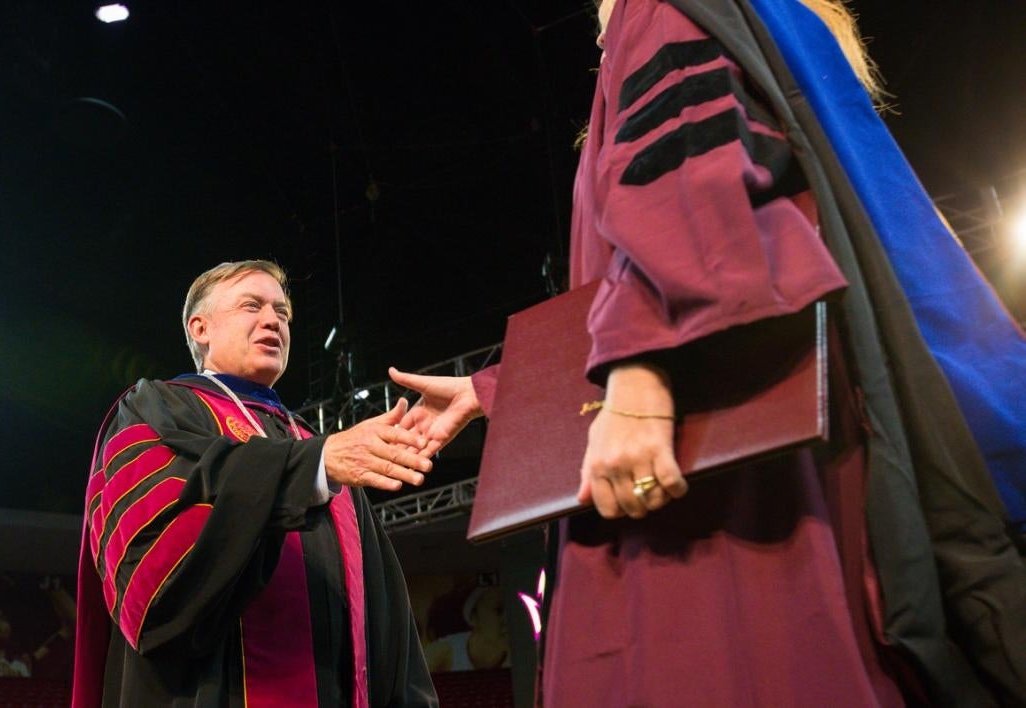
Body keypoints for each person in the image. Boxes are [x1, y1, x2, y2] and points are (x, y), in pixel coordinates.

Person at [390, 0, 1026, 705]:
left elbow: (695, 196)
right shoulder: (767, 21)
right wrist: (496, 391)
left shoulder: (659, 5)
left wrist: (639, 388)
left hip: (714, 473)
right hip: (779, 418)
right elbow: (700, 253)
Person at [73, 260, 438, 707]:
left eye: (282, 312)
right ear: (200, 328)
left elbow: (387, 625)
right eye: (252, 305)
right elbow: (152, 584)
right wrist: (309, 469)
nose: (273, 320)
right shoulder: (157, 409)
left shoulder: (320, 447)